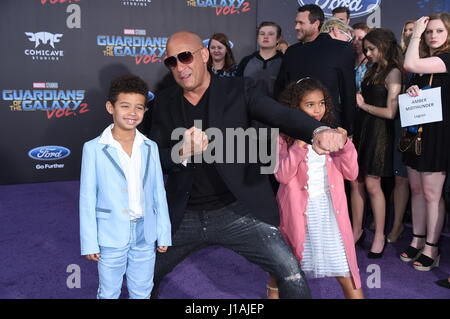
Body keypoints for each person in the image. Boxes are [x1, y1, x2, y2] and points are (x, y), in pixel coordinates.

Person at [149, 30, 347, 299]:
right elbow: (152, 159)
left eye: (185, 57)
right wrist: (180, 151)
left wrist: (318, 131)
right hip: (185, 216)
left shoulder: (239, 89)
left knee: (291, 274)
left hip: (237, 211)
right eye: (171, 62)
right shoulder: (163, 103)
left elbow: (282, 115)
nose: (180, 67)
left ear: (204, 55)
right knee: (143, 276)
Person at [267, 78, 363, 299]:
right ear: (295, 107)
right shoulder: (282, 137)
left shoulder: (330, 134)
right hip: (295, 214)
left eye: (321, 103)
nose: (318, 110)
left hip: (329, 214)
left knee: (346, 270)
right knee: (281, 273)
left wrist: (345, 144)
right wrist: (300, 145)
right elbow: (282, 175)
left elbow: (352, 174)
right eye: (310, 104)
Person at [79, 74, 172, 299]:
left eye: (139, 107)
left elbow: (159, 192)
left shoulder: (149, 146)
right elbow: (87, 197)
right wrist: (89, 241)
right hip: (110, 234)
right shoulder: (93, 148)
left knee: (142, 290)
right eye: (125, 106)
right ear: (110, 107)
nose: (132, 113)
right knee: (109, 292)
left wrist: (164, 233)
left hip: (145, 232)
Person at [400, 13, 450, 271]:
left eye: (439, 31)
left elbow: (410, 64)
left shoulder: (445, 58)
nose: (433, 36)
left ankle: (432, 245)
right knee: (417, 190)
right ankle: (418, 238)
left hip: (437, 135)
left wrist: (416, 30)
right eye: (429, 31)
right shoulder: (425, 61)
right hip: (416, 132)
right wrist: (412, 91)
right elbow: (415, 77)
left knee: (432, 193)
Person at [351, 28, 403, 258]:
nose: (368, 53)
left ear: (383, 46)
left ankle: (380, 235)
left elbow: (391, 112)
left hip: (380, 132)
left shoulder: (393, 72)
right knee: (355, 182)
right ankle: (356, 230)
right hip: (361, 129)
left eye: (371, 49)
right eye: (365, 49)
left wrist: (363, 106)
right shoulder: (370, 70)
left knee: (373, 184)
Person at [275, 4, 356, 136]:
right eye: (296, 23)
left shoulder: (341, 49)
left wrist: (348, 130)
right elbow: (281, 90)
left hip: (329, 128)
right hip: (296, 129)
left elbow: (348, 93)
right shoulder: (291, 52)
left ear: (316, 24)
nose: (296, 27)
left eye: (301, 23)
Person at [236, 21, 284, 97]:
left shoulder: (285, 62)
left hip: (276, 107)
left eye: (271, 34)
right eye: (262, 34)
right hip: (248, 107)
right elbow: (237, 88)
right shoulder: (246, 61)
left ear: (278, 39)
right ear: (257, 37)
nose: (265, 37)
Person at [352, 23, 371, 92]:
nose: (355, 42)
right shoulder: (347, 61)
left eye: (360, 39)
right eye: (353, 38)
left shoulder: (373, 64)